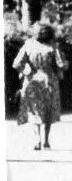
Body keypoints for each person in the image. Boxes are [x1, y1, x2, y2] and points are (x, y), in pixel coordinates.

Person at [14, 21, 67, 149]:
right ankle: (46, 140)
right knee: (48, 111)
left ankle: (37, 140)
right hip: (49, 81)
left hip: (32, 80)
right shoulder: (53, 46)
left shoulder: (28, 44)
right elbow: (61, 64)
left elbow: (16, 63)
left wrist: (26, 71)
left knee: (34, 110)